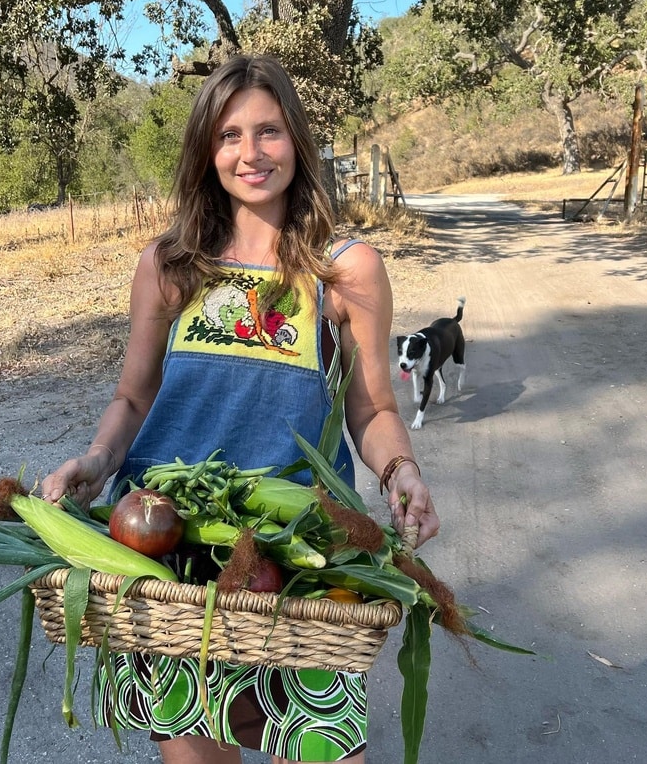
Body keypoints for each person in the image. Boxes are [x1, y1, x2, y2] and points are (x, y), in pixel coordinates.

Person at [41, 53, 440, 764]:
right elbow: (134, 396)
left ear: (298, 143)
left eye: (269, 131)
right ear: (206, 151)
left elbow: (373, 407)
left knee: (323, 749)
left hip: (298, 559)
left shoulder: (344, 269)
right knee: (196, 747)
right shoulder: (170, 263)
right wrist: (98, 462)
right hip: (169, 556)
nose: (250, 153)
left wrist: (400, 470)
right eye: (229, 136)